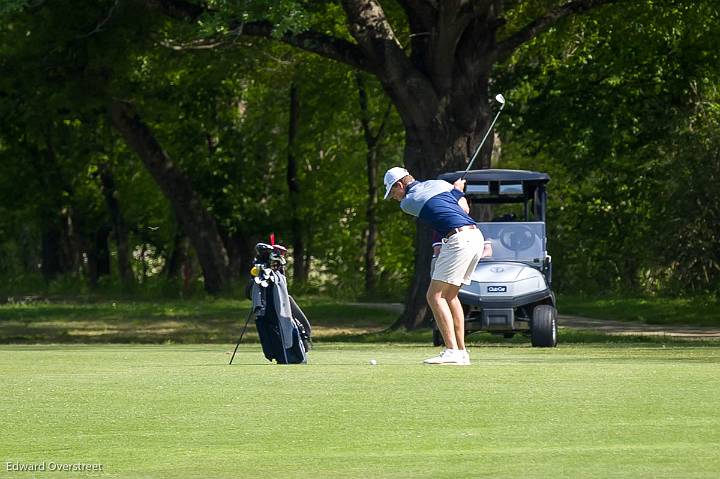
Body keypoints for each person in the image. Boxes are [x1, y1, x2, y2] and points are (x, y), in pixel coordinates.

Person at [384, 166, 485, 365]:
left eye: (392, 192)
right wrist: (457, 190)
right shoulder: (439, 184)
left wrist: (456, 190)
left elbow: (426, 200)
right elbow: (464, 208)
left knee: (434, 296)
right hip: (476, 237)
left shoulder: (408, 203)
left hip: (458, 240)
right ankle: (461, 352)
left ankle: (452, 351)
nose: (394, 197)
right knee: (450, 296)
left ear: (399, 185)